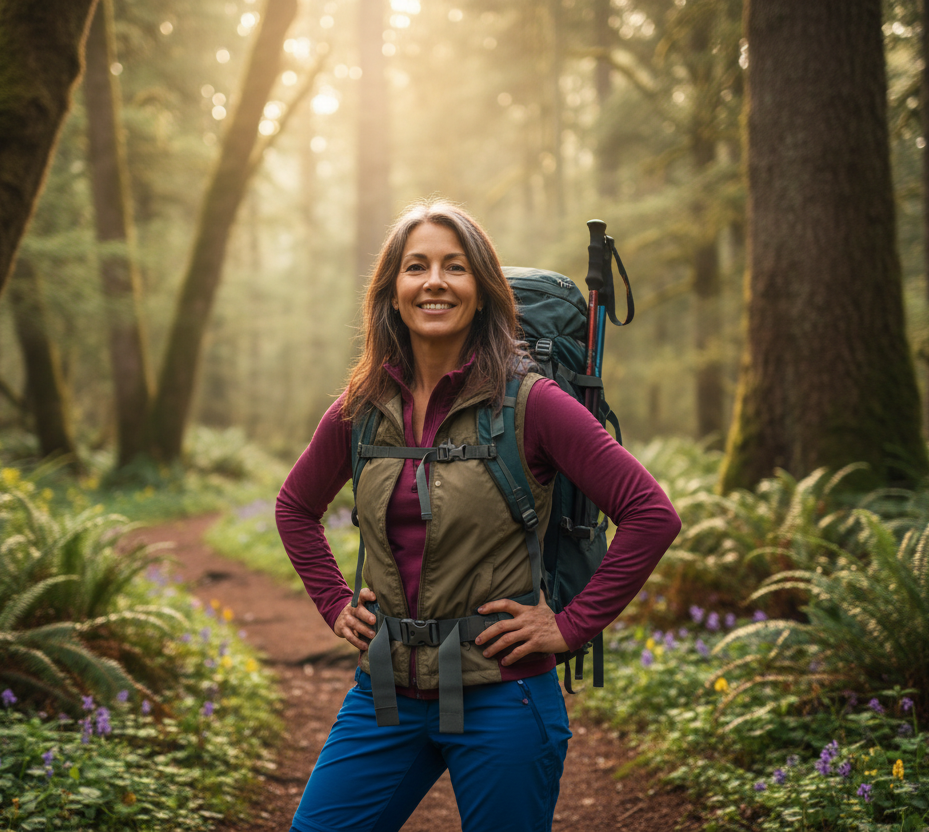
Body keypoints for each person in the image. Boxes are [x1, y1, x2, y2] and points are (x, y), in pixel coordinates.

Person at [275, 199, 680, 832]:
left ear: (483, 292)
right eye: (416, 267)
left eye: (454, 267)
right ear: (391, 292)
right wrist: (334, 603)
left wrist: (569, 628)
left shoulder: (533, 404)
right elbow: (294, 507)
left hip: (505, 695)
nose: (434, 281)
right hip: (386, 694)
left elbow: (651, 514)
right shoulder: (361, 408)